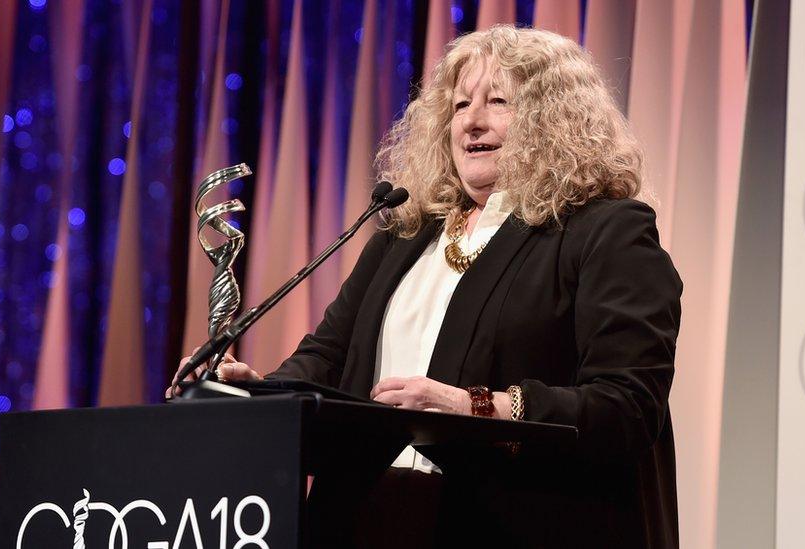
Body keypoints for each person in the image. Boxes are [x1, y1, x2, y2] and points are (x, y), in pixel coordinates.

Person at [174, 25, 681, 548]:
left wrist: (476, 408)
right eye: (461, 105)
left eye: (498, 101)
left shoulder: (607, 232)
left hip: (512, 524)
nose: (472, 122)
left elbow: (626, 408)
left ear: (557, 121)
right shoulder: (404, 236)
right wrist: (256, 394)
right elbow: (327, 358)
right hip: (365, 521)